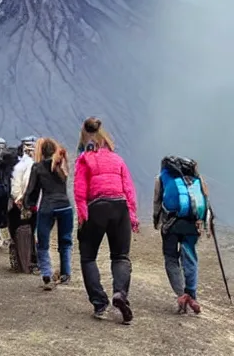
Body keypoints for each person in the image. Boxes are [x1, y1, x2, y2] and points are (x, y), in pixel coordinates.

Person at [74, 117, 139, 323]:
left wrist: (83, 215)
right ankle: (120, 294)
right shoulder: (118, 159)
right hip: (120, 207)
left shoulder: (85, 159)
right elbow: (129, 188)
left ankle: (100, 303)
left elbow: (79, 191)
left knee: (88, 256)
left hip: (97, 207)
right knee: (120, 256)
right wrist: (132, 215)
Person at [153, 156, 211, 314]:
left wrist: (156, 221)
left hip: (171, 225)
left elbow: (157, 201)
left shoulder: (162, 178)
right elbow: (206, 202)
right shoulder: (197, 179)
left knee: (171, 258)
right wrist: (206, 227)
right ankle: (191, 294)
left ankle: (181, 294)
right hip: (193, 224)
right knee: (190, 256)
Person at [24, 137, 73, 290]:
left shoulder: (37, 167)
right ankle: (66, 274)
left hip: (47, 207)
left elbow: (32, 191)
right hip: (65, 207)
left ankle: (46, 273)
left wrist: (27, 206)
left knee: (43, 243)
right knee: (65, 242)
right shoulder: (61, 164)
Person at [8, 136, 38, 273]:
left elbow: (15, 184)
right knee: (32, 230)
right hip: (32, 204)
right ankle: (31, 259)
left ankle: (22, 260)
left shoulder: (18, 164)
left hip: (18, 203)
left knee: (17, 230)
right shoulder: (37, 164)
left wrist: (18, 200)